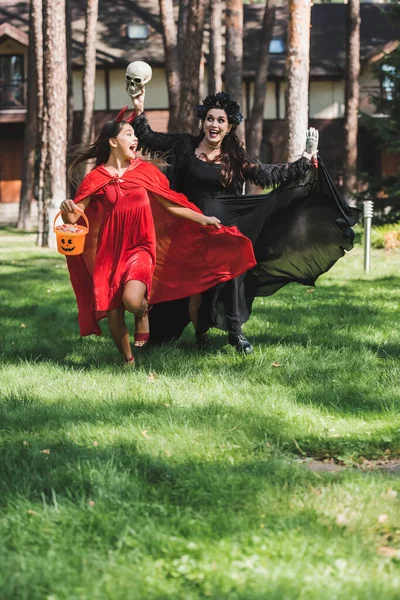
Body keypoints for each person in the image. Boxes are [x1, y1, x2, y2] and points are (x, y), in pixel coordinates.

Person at [131, 91, 346, 354]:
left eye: (220, 120)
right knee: (192, 289)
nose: (214, 124)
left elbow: (268, 174)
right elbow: (149, 138)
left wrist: (303, 160)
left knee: (231, 276)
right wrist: (139, 106)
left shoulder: (235, 156)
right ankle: (199, 334)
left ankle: (235, 332)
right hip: (188, 229)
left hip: (224, 229)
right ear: (203, 122)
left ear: (229, 126)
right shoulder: (184, 146)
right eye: (209, 119)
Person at [60, 108, 256, 366]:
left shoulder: (144, 171)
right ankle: (128, 360)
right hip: (109, 251)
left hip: (140, 247)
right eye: (129, 134)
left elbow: (171, 205)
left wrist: (203, 219)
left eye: (134, 135)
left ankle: (142, 313)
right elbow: (75, 219)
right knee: (113, 311)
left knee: (131, 300)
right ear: (112, 142)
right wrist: (67, 212)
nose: (135, 139)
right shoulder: (95, 178)